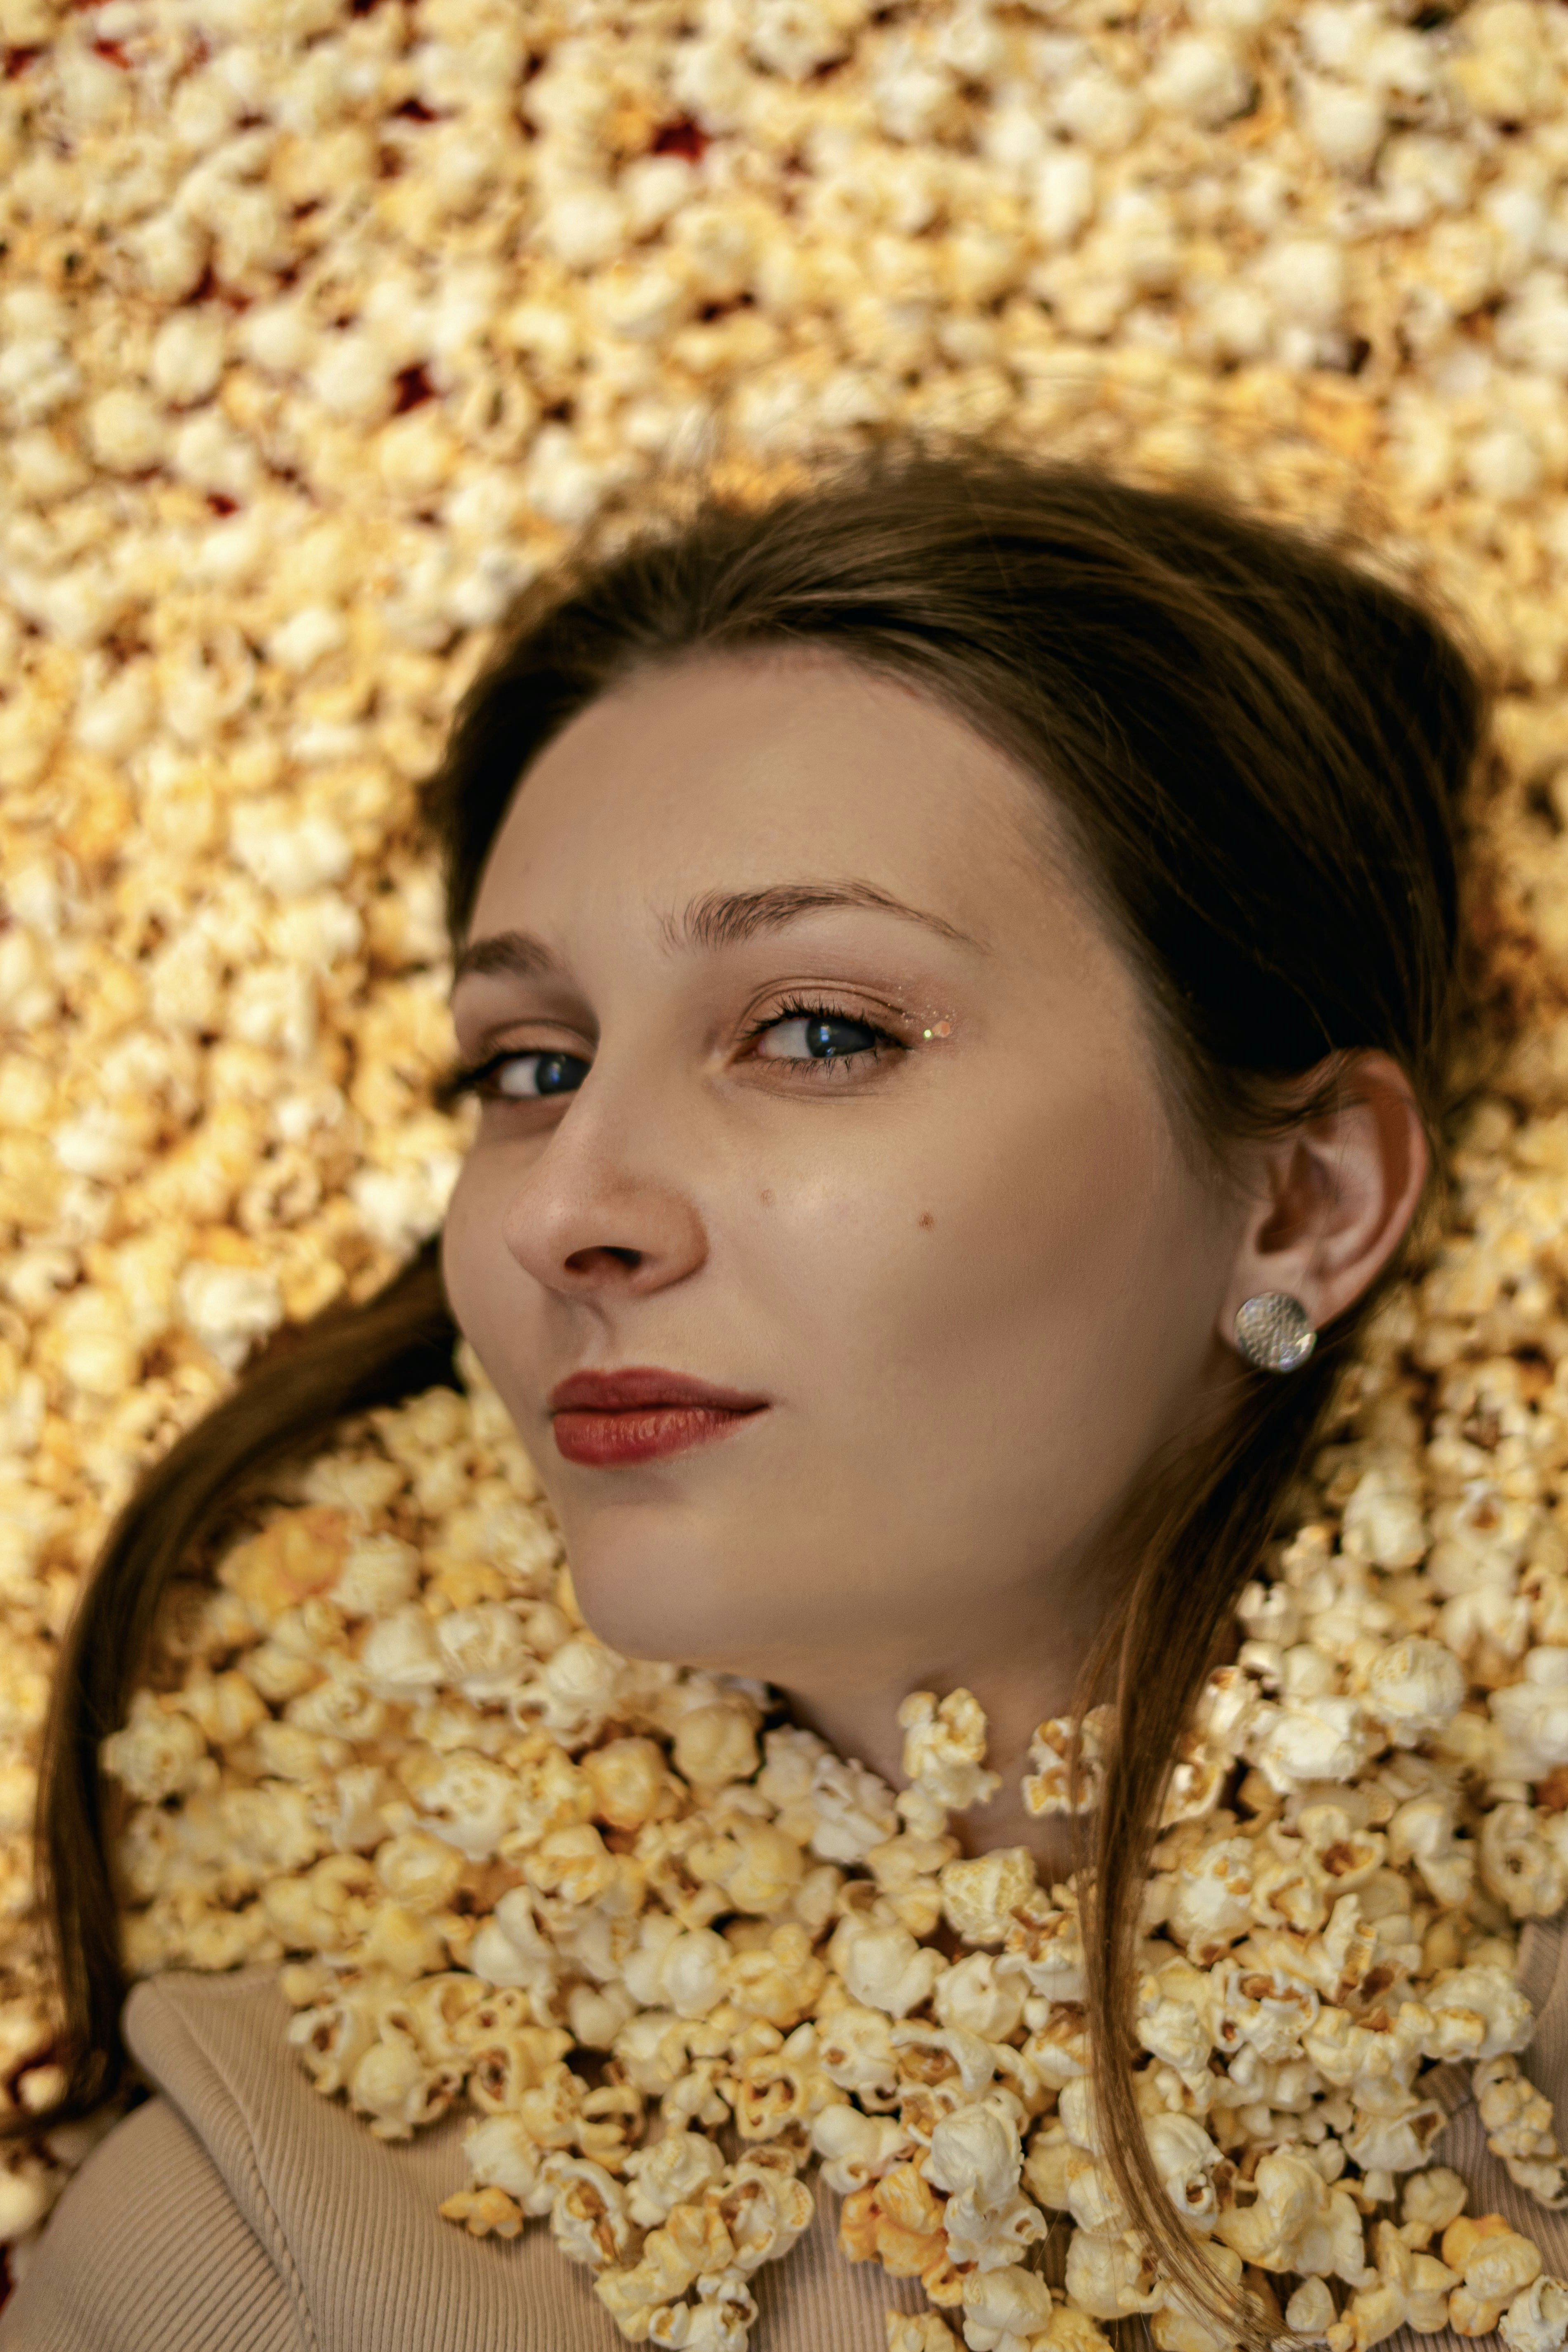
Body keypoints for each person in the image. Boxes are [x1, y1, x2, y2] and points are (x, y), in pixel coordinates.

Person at [3, 431, 1551, 2352]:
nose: (567, 1205)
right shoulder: (275, 2236)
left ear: (1301, 1199)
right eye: (527, 1065)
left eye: (817, 1030)